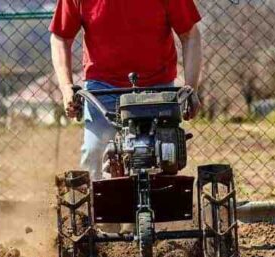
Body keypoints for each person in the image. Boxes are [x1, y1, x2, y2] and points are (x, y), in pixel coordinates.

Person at [49, 0, 203, 181]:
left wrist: (191, 88)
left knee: (166, 154)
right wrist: (66, 87)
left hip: (157, 88)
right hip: (103, 89)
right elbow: (60, 38)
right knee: (95, 153)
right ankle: (96, 196)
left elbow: (190, 35)